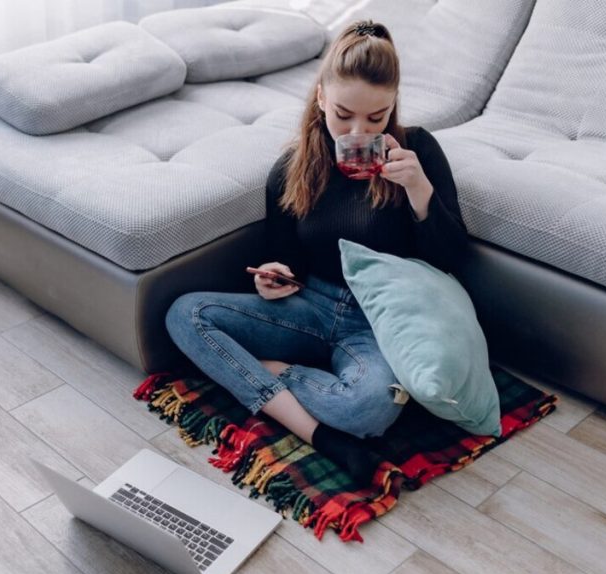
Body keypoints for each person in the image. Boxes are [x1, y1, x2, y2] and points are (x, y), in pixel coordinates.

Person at [165, 19, 469, 486]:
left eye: (376, 118)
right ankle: (321, 436)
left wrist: (418, 190)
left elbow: (452, 261)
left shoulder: (418, 151)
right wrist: (272, 277)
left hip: (378, 320)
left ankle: (267, 373)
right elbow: (286, 258)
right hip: (308, 307)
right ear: (322, 97)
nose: (357, 130)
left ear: (392, 106)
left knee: (369, 409)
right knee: (186, 315)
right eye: (344, 114)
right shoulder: (292, 167)